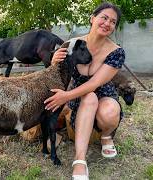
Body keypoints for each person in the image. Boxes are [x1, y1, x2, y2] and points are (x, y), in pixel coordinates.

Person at [44, 2, 125, 180]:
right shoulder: (71, 44)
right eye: (104, 17)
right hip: (79, 98)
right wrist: (54, 61)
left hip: (104, 94)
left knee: (110, 111)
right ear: (92, 18)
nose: (107, 23)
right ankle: (80, 161)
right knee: (89, 97)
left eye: (113, 22)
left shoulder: (117, 52)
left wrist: (65, 96)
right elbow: (56, 73)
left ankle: (106, 136)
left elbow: (96, 82)